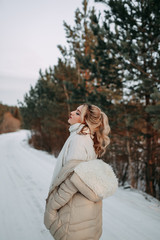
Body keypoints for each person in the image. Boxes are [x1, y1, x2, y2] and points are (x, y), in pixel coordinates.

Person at [44, 103, 118, 240]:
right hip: (85, 214)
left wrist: (51, 208)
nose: (72, 112)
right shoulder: (87, 137)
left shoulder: (79, 139)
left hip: (73, 215)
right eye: (75, 110)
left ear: (85, 121)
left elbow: (73, 179)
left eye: (78, 113)